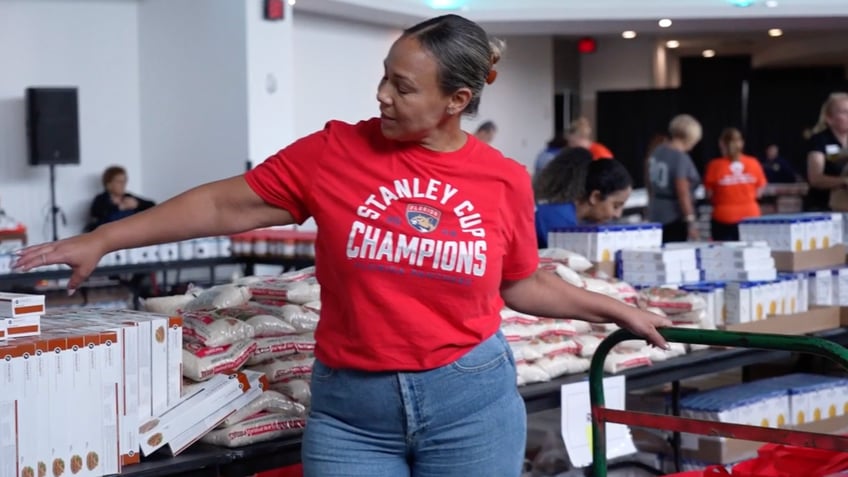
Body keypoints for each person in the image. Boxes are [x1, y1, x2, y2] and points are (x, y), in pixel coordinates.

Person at [15, 14, 669, 477]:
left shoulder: (499, 178)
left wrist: (614, 308)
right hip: (353, 413)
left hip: (470, 404)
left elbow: (521, 282)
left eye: (404, 87)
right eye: (385, 76)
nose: (382, 94)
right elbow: (223, 203)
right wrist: (104, 237)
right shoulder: (335, 153)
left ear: (456, 100)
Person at [533, 147, 633, 248]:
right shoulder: (560, 223)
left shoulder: (564, 213)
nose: (618, 215)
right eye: (616, 206)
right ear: (595, 197)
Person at [646, 114, 703, 243]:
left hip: (656, 211)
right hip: (674, 217)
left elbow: (649, 181)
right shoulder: (680, 158)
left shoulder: (657, 151)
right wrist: (691, 221)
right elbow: (682, 192)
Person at [704, 128, 767, 241]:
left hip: (723, 216)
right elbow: (760, 192)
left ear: (721, 144)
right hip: (750, 215)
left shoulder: (714, 165)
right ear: (741, 143)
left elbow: (709, 193)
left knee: (722, 255)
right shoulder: (753, 163)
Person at [805, 92, 848, 211]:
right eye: (844, 112)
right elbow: (815, 178)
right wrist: (844, 182)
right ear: (829, 119)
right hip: (822, 208)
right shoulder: (820, 140)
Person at [85, 166, 155, 232]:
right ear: (108, 184)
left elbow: (152, 205)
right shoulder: (101, 199)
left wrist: (137, 204)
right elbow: (96, 213)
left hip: (131, 233)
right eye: (119, 182)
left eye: (124, 181)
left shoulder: (128, 197)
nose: (123, 184)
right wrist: (120, 207)